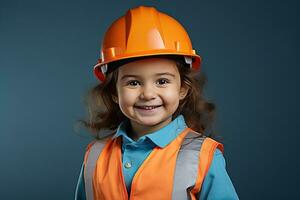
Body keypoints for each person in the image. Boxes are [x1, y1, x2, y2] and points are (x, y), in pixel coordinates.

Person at [75, 5, 239, 200]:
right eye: (133, 83)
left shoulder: (203, 156)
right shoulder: (95, 156)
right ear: (114, 92)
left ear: (182, 89)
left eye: (162, 81)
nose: (148, 94)